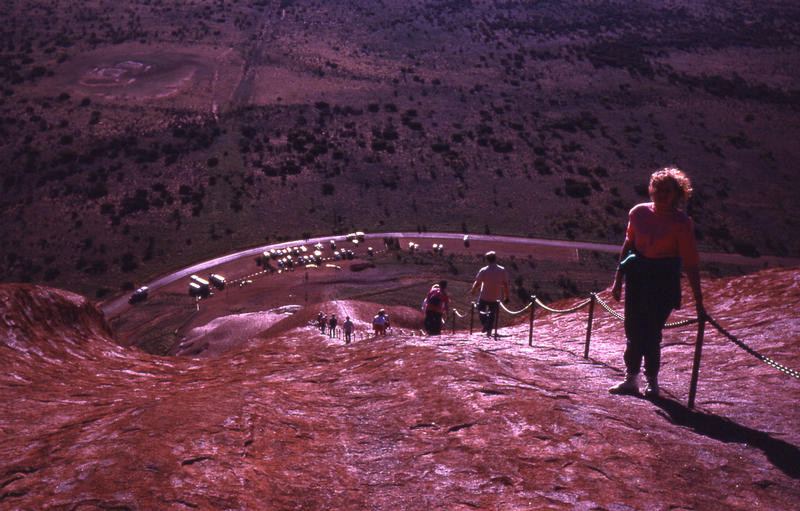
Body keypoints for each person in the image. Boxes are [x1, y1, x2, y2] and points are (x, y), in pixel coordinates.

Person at [609, 167, 704, 398]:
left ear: (677, 193)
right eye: (658, 189)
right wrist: (618, 279)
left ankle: (652, 381)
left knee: (651, 333)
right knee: (632, 329)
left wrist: (699, 300)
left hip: (663, 282)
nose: (661, 194)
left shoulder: (681, 223)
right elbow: (628, 244)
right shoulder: (638, 213)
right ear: (651, 190)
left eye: (667, 191)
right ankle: (631, 379)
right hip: (638, 278)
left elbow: (690, 262)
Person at [470, 251, 510, 336]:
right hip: (496, 296)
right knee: (492, 314)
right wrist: (507, 296)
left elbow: (478, 283)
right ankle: (489, 329)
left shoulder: (484, 270)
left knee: (480, 310)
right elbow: (506, 284)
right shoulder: (502, 270)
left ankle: (485, 324)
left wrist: (473, 290)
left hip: (484, 295)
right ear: (495, 259)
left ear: (487, 260)